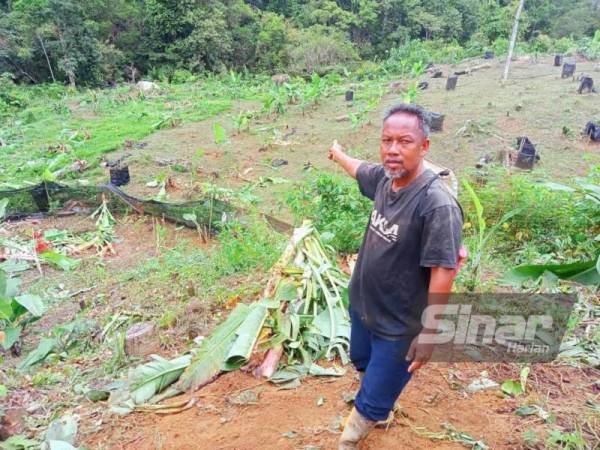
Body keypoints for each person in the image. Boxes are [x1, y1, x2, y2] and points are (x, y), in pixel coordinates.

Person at [328, 103, 464, 449]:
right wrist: (338, 153)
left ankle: (355, 433)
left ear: (424, 147)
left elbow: (444, 269)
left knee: (369, 402)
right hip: (364, 307)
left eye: (404, 141)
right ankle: (377, 400)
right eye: (386, 140)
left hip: (399, 326)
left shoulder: (436, 205)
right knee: (361, 360)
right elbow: (359, 169)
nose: (392, 149)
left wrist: (431, 332)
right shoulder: (385, 180)